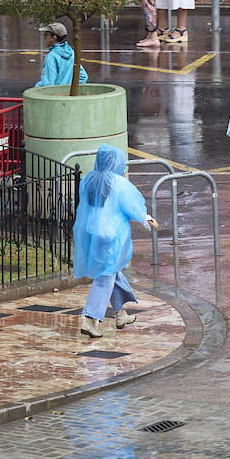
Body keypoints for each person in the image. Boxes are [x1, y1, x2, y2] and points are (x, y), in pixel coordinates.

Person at [73, 144, 158, 337]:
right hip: (110, 236)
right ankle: (90, 318)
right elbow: (133, 206)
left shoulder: (88, 180)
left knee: (112, 270)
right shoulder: (118, 183)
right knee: (105, 277)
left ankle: (120, 313)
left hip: (90, 233)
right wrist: (147, 218)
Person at [34, 21, 88, 88]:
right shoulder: (72, 53)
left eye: (46, 34)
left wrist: (35, 88)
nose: (44, 37)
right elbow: (83, 77)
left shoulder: (51, 56)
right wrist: (70, 90)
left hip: (55, 96)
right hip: (67, 96)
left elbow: (47, 84)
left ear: (54, 38)